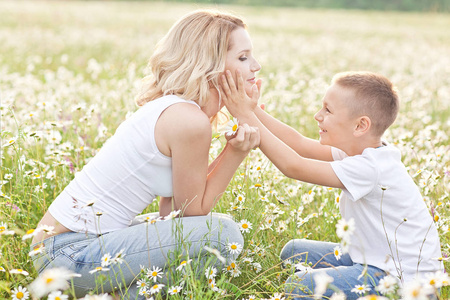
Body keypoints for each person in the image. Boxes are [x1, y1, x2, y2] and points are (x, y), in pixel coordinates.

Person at [30, 9, 261, 299]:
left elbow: (174, 216)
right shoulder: (188, 120)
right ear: (210, 65)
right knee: (223, 235)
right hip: (68, 255)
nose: (256, 66)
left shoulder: (179, 109)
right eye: (243, 57)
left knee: (209, 234)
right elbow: (194, 212)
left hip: (66, 250)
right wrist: (236, 151)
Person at [220, 70, 443, 299]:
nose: (318, 115)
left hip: (400, 281)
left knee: (300, 285)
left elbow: (293, 166)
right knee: (295, 253)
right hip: (369, 257)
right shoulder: (358, 150)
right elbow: (298, 144)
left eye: (328, 110)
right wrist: (251, 109)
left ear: (360, 126)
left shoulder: (370, 167)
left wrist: (244, 114)